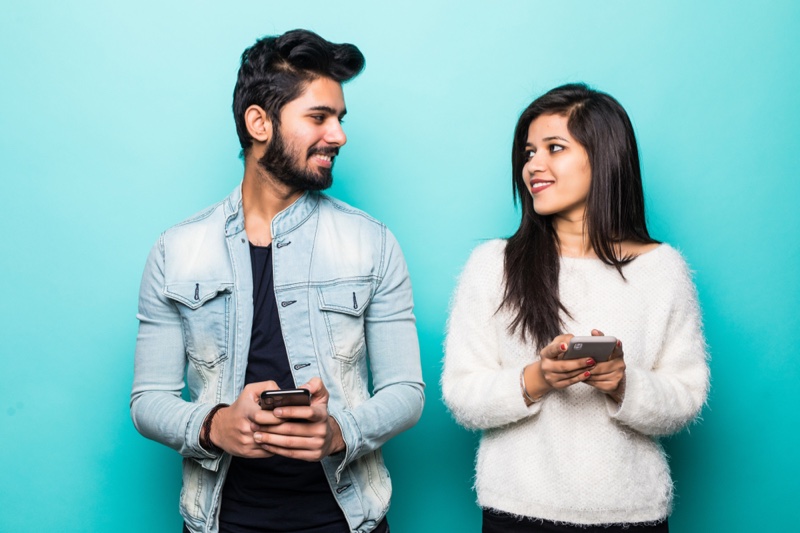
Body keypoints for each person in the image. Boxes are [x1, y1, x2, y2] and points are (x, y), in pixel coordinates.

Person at [130, 29, 424, 533]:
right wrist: (213, 424)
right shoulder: (175, 251)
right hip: (222, 520)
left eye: (340, 118)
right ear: (259, 122)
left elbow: (406, 390)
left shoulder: (372, 243)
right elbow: (147, 400)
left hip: (348, 519)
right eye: (319, 117)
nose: (339, 135)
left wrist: (339, 432)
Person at [442, 83, 709, 532]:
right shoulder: (492, 265)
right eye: (528, 152)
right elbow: (462, 395)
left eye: (555, 148)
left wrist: (624, 383)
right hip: (517, 512)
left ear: (604, 156)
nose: (534, 166)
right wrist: (538, 378)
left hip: (632, 515)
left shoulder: (662, 269)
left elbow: (685, 399)